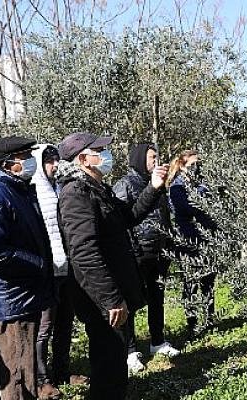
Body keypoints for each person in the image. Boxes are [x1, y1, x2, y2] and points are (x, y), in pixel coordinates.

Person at [56, 132, 168, 399]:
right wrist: (110, 299)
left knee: (115, 363)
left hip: (113, 290)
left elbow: (128, 216)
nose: (106, 155)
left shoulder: (97, 188)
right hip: (100, 299)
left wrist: (153, 188)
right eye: (99, 151)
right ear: (83, 159)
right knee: (108, 365)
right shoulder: (76, 194)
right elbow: (84, 252)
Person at [0, 136, 56, 400]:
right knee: (18, 375)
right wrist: (38, 263)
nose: (31, 161)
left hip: (25, 292)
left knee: (20, 366)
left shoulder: (18, 189)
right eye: (25, 157)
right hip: (12, 297)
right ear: (8, 164)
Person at [114, 142, 180, 374]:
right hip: (137, 253)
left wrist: (169, 242)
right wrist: (131, 250)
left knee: (157, 297)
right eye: (152, 157)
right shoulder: (125, 184)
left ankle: (157, 341)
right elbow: (121, 222)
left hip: (159, 251)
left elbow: (164, 216)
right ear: (140, 159)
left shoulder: (157, 184)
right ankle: (130, 351)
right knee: (131, 303)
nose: (155, 161)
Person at [31, 144, 87, 399]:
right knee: (44, 327)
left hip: (66, 267)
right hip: (47, 272)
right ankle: (41, 380)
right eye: (49, 161)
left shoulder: (59, 188)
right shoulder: (33, 191)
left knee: (65, 322)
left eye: (56, 160)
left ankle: (62, 371)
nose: (54, 165)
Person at [168, 150, 218, 336]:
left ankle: (209, 320)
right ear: (182, 166)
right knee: (191, 283)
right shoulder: (176, 188)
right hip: (188, 242)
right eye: (192, 165)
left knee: (208, 282)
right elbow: (189, 208)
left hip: (206, 240)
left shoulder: (202, 185)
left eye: (199, 164)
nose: (197, 168)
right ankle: (192, 323)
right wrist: (204, 197)